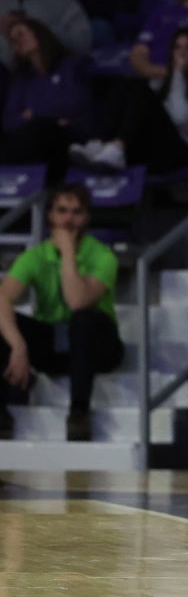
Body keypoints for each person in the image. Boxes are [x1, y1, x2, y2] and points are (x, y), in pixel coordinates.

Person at [0, 183, 123, 441]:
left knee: (83, 318)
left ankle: (79, 412)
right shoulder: (36, 256)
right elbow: (2, 297)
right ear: (50, 215)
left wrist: (67, 252)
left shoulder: (103, 256)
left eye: (76, 212)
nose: (68, 219)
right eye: (62, 211)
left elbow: (77, 301)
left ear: (87, 217)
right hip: (54, 341)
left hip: (98, 345)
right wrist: (18, 346)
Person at [71, 25, 188, 174]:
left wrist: (177, 74)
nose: (182, 53)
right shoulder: (161, 82)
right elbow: (145, 114)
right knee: (124, 85)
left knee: (141, 88)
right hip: (154, 146)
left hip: (185, 152)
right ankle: (98, 143)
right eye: (177, 47)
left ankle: (117, 147)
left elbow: (179, 117)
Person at [0, 16, 91, 181]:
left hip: (68, 138)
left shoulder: (70, 65)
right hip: (31, 141)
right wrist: (51, 116)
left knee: (39, 129)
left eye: (20, 34)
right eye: (12, 40)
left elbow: (76, 103)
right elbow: (9, 120)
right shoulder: (22, 79)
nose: (16, 41)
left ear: (38, 33)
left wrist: (33, 113)